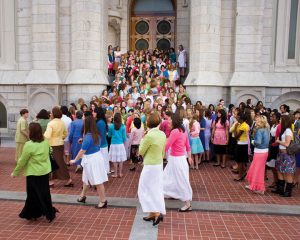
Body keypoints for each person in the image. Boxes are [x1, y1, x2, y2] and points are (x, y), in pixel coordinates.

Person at [11, 122, 58, 222]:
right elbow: (50, 150)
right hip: (45, 171)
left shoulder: (28, 145)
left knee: (32, 195)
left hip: (33, 173)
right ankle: (49, 213)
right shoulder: (45, 141)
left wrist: (15, 172)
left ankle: (32, 213)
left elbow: (22, 160)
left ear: (31, 132)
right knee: (45, 193)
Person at [70, 116, 108, 208]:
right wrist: (83, 140)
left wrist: (74, 160)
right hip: (96, 158)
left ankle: (103, 201)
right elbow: (92, 142)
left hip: (91, 160)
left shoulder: (87, 136)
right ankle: (82, 196)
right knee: (86, 179)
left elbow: (82, 151)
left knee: (98, 181)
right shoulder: (96, 134)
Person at [138, 111, 166, 226]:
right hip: (159, 164)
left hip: (150, 165)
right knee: (155, 189)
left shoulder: (149, 135)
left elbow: (140, 151)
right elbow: (163, 151)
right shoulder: (162, 134)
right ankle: (152, 213)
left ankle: (156, 212)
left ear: (148, 123)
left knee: (143, 189)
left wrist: (142, 139)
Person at [163, 113, 193, 212]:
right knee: (168, 177)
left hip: (176, 160)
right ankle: (165, 195)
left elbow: (167, 145)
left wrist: (159, 154)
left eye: (170, 119)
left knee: (181, 181)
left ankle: (188, 204)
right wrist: (189, 157)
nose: (168, 121)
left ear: (174, 120)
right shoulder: (183, 131)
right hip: (180, 159)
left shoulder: (175, 131)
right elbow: (188, 146)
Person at [44, 106, 73, 187]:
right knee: (60, 162)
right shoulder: (61, 122)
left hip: (52, 145)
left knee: (51, 163)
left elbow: (47, 135)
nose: (50, 114)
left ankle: (52, 181)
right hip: (60, 144)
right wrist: (61, 138)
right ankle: (66, 179)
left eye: (51, 113)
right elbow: (65, 133)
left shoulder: (50, 123)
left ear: (53, 114)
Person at [245, 116, 270, 194]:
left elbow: (258, 142)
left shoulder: (259, 130)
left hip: (259, 152)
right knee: (256, 168)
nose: (256, 122)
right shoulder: (266, 129)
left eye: (258, 121)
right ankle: (253, 184)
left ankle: (260, 188)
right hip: (264, 151)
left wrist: (252, 141)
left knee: (258, 170)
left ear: (261, 122)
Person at [273, 115, 296, 197]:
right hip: (281, 154)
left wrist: (278, 141)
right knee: (279, 171)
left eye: (281, 120)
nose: (279, 121)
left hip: (287, 155)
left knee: (288, 173)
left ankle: (288, 191)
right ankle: (280, 189)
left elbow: (287, 143)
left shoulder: (288, 131)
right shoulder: (285, 130)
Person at [108, 112, 127, 177]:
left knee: (114, 159)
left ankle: (115, 174)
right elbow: (124, 137)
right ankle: (120, 173)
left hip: (113, 144)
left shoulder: (111, 126)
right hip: (120, 144)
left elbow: (109, 135)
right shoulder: (123, 126)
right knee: (121, 159)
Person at [233, 112, 249, 181]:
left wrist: (235, 127)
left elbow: (236, 136)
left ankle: (240, 175)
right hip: (240, 143)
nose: (237, 119)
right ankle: (242, 173)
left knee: (240, 161)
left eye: (239, 118)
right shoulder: (241, 124)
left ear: (242, 119)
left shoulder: (243, 126)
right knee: (240, 161)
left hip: (242, 144)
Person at [96, 107, 111, 174]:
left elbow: (101, 135)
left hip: (101, 144)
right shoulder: (101, 121)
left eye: (94, 112)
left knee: (104, 160)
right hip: (102, 144)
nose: (93, 113)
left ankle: (104, 172)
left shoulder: (100, 122)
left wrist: (98, 144)